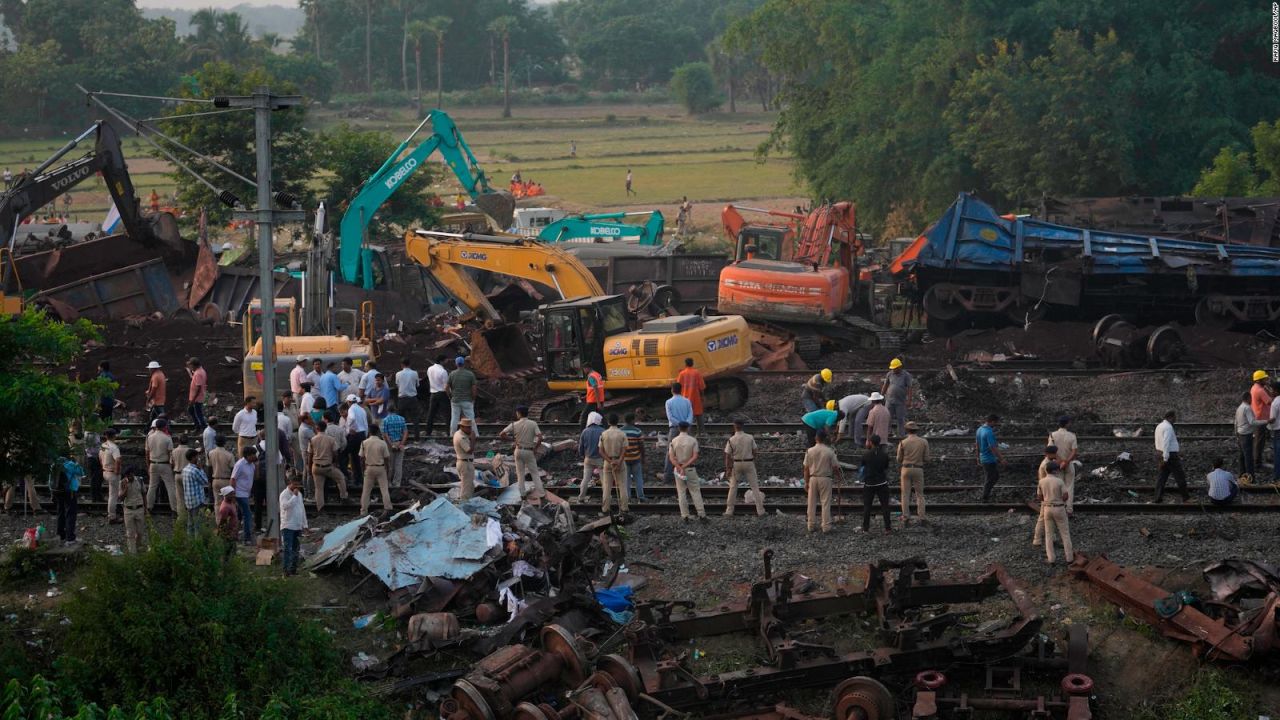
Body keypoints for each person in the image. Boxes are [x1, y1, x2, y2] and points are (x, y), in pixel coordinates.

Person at [499, 406, 544, 496]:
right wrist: (535, 448)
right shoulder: (533, 423)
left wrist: (513, 439)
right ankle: (541, 494)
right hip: (529, 451)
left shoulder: (514, 424)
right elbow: (540, 437)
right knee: (534, 473)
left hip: (518, 450)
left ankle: (522, 495)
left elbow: (502, 434)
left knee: (520, 474)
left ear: (519, 413)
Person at [803, 429, 841, 533]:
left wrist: (806, 482)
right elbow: (835, 467)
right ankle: (826, 526)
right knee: (825, 502)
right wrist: (838, 477)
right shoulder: (830, 451)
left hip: (813, 478)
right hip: (826, 478)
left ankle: (810, 525)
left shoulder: (809, 451)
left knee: (811, 502)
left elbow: (806, 468)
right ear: (825, 439)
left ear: (816, 438)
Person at [724, 419, 763, 516]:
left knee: (733, 487)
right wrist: (753, 459)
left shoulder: (731, 439)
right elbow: (755, 450)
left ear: (734, 426)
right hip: (749, 462)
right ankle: (760, 511)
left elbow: (728, 456)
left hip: (736, 464)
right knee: (754, 487)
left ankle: (729, 511)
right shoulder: (750, 438)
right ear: (743, 426)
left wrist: (728, 468)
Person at [1036, 461, 1073, 564]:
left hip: (1047, 508)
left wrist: (1047, 500)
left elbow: (1039, 497)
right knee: (1065, 533)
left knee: (1048, 534)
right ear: (1055, 470)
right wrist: (1059, 500)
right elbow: (1066, 496)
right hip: (1059, 508)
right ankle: (1069, 558)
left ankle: (1051, 559)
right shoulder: (1059, 481)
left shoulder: (1041, 482)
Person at [668, 421, 706, 521]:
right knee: (695, 491)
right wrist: (685, 466)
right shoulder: (693, 440)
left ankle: (685, 515)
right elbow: (695, 456)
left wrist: (680, 468)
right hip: (690, 469)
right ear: (688, 428)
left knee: (681, 492)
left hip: (678, 470)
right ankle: (701, 514)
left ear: (679, 428)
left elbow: (671, 458)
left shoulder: (674, 441)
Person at [310, 420, 348, 511]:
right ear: (325, 428)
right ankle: (343, 497)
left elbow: (309, 455)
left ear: (317, 428)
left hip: (316, 467)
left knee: (319, 488)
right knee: (341, 478)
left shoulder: (313, 439)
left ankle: (320, 508)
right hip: (328, 467)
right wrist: (336, 463)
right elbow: (335, 453)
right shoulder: (331, 439)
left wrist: (309, 467)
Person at [896, 421, 929, 524]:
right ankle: (922, 517)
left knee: (905, 494)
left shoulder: (903, 442)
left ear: (907, 430)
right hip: (918, 469)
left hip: (906, 469)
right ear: (916, 430)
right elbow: (927, 458)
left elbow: (898, 459)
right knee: (920, 494)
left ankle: (905, 516)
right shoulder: (924, 442)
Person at [145, 418, 181, 514]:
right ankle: (174, 509)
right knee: (170, 487)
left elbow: (147, 453)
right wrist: (173, 466)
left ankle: (149, 507)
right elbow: (171, 454)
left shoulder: (149, 437)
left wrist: (148, 465)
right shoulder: (167, 438)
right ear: (164, 426)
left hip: (153, 463)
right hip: (164, 464)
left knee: (152, 486)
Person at [598, 414, 630, 513]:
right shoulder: (622, 434)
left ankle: (605, 508)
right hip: (620, 462)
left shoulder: (604, 434)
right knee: (622, 486)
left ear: (608, 422)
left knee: (607, 487)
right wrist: (619, 461)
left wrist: (609, 461)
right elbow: (625, 450)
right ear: (618, 421)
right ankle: (624, 508)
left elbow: (600, 451)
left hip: (608, 463)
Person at [1154, 410, 1189, 503]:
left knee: (1162, 477)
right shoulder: (1168, 427)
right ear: (1170, 417)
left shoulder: (1159, 426)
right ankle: (1186, 498)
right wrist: (1166, 458)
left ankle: (1157, 498)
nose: (1175, 419)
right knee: (1180, 476)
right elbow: (1166, 443)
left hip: (1160, 453)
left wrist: (1162, 457)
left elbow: (1158, 441)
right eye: (1174, 417)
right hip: (1169, 456)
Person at [860, 435, 892, 534]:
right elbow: (886, 467)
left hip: (869, 483)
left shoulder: (866, 454)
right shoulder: (884, 454)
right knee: (885, 506)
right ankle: (888, 528)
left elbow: (863, 466)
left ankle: (866, 528)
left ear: (870, 442)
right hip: (882, 482)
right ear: (879, 442)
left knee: (867, 507)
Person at [1048, 416, 1080, 513]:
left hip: (1056, 465)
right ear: (1067, 424)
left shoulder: (1053, 435)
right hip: (1068, 464)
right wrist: (1066, 462)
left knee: (1058, 487)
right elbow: (1074, 452)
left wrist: (1060, 462)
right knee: (1069, 487)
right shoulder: (1072, 435)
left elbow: (1050, 451)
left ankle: (1059, 509)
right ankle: (1069, 510)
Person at [663, 382, 694, 480]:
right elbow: (690, 415)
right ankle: (687, 473)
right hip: (686, 428)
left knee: (671, 451)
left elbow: (670, 417)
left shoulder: (668, 402)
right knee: (687, 451)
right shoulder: (687, 401)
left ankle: (668, 475)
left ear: (672, 390)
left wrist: (679, 424)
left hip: (674, 429)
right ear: (681, 390)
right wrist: (685, 424)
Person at [280, 475, 307, 576]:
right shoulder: (284, 494)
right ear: (289, 483)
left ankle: (293, 569)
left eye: (298, 485)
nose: (296, 487)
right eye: (294, 484)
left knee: (296, 548)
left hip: (297, 525)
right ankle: (286, 570)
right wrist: (294, 496)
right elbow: (285, 506)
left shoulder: (299, 494)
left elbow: (302, 509)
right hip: (288, 525)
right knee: (288, 548)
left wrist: (305, 524)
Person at [1234, 392, 1266, 478]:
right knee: (1248, 457)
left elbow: (1235, 423)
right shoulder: (1247, 408)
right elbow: (1252, 422)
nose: (1252, 400)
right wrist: (1266, 421)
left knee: (1242, 456)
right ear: (1248, 398)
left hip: (1240, 434)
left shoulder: (1239, 408)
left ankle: (1241, 475)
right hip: (1246, 435)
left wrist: (1236, 435)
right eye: (1251, 398)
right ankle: (1250, 477)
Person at [576, 412, 606, 502]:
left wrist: (583, 456)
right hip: (600, 458)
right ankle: (606, 498)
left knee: (585, 479)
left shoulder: (585, 431)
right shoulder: (603, 431)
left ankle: (581, 497)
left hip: (588, 458)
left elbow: (580, 447)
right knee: (604, 480)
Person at [52, 457, 82, 544]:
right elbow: (81, 472)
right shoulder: (70, 464)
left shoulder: (54, 464)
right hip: (69, 491)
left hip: (57, 491)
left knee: (60, 512)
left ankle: (60, 535)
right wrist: (77, 464)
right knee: (70, 513)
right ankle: (70, 538)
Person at [232, 445, 258, 544]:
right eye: (253, 455)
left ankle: (235, 535)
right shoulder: (240, 464)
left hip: (246, 493)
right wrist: (233, 494)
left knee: (239, 515)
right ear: (247, 455)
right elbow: (233, 479)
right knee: (247, 515)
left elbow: (254, 477)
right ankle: (247, 538)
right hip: (240, 493)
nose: (255, 456)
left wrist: (257, 465)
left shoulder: (252, 464)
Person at [880, 359, 913, 437]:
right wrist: (881, 396)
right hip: (889, 400)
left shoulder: (906, 375)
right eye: (892, 368)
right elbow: (886, 385)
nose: (893, 370)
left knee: (900, 418)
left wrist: (909, 401)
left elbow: (910, 388)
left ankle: (901, 434)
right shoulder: (889, 374)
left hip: (900, 401)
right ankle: (888, 433)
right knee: (887, 417)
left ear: (899, 367)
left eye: (895, 368)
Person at [976, 414, 1004, 501]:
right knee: (992, 477)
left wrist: (977, 457)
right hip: (989, 459)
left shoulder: (979, 430)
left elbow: (977, 445)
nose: (996, 425)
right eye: (995, 423)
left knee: (992, 476)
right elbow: (993, 447)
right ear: (992, 422)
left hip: (983, 458)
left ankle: (986, 494)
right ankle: (985, 496)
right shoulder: (989, 432)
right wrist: (1001, 459)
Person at [181, 448, 208, 536]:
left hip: (188, 500)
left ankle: (190, 544)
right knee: (197, 524)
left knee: (190, 523)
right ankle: (197, 544)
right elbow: (205, 481)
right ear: (193, 458)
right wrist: (201, 469)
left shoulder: (185, 469)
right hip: (197, 501)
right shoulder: (195, 470)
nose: (198, 458)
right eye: (197, 456)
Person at [447, 356, 477, 435]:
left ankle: (452, 435)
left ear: (456, 364)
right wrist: (473, 398)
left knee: (454, 418)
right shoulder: (470, 374)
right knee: (471, 418)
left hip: (455, 400)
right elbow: (474, 388)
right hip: (467, 400)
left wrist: (450, 396)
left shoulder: (452, 374)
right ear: (464, 364)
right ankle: (475, 434)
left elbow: (446, 387)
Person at [677, 358, 707, 434]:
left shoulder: (682, 374)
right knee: (699, 415)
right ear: (692, 364)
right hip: (696, 398)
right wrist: (702, 396)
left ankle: (688, 433)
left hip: (685, 399)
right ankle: (702, 433)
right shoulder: (696, 373)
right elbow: (702, 387)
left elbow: (678, 386)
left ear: (685, 364)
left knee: (687, 417)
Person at [1250, 370, 1273, 470]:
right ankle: (1257, 464)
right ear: (1259, 380)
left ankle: (1258, 461)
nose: (1266, 379)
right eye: (1265, 378)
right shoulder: (1260, 390)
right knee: (1259, 442)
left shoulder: (1255, 387)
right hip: (1261, 419)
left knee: (1260, 441)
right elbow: (1270, 401)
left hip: (1258, 418)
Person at [622, 413, 647, 502]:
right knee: (638, 478)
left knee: (626, 479)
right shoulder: (637, 431)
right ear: (632, 420)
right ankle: (640, 497)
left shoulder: (621, 431)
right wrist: (643, 458)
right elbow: (641, 446)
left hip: (624, 459)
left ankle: (627, 497)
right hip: (636, 458)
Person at [120, 468, 146, 554]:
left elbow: (144, 494)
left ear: (133, 474)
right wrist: (125, 489)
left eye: (130, 475)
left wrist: (146, 508)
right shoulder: (122, 482)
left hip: (139, 508)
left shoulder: (139, 480)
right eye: (127, 476)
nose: (129, 477)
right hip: (128, 510)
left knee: (140, 532)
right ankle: (132, 553)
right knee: (130, 533)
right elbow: (120, 498)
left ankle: (138, 547)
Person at [99, 428, 123, 524]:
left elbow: (100, 458)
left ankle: (112, 513)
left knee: (111, 494)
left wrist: (103, 467)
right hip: (112, 473)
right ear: (114, 436)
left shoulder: (103, 445)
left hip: (105, 471)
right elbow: (118, 460)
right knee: (113, 496)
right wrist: (117, 471)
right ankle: (112, 516)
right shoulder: (114, 447)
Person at [381, 401, 407, 488]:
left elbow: (385, 434)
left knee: (389, 464)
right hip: (400, 442)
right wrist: (401, 443)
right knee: (398, 465)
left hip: (389, 444)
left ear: (387, 410)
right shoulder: (401, 419)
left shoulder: (385, 420)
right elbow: (405, 432)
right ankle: (397, 483)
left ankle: (388, 482)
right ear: (395, 409)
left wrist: (391, 444)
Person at [345, 394, 370, 482]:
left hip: (355, 435)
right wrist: (365, 435)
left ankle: (355, 478)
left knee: (351, 456)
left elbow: (351, 418)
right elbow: (366, 424)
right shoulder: (362, 409)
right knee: (359, 457)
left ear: (349, 402)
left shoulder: (351, 409)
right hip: (362, 435)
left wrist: (349, 428)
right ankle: (360, 478)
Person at [424, 355, 450, 437]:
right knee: (447, 413)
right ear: (442, 361)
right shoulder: (443, 371)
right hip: (442, 393)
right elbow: (446, 386)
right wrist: (449, 395)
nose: (447, 361)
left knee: (431, 413)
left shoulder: (429, 369)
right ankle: (448, 432)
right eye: (446, 360)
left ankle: (428, 431)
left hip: (433, 393)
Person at [395, 358, 421, 433]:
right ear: (410, 364)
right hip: (412, 398)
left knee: (400, 419)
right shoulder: (415, 373)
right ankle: (417, 438)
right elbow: (417, 385)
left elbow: (397, 385)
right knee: (415, 418)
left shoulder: (398, 374)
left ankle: (399, 436)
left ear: (402, 365)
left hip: (402, 399)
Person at [453, 417, 476, 499]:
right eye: (468, 427)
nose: (470, 429)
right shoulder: (461, 437)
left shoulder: (459, 433)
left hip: (464, 462)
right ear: (462, 427)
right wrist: (473, 439)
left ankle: (467, 503)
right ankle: (464, 506)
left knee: (469, 486)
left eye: (470, 427)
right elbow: (469, 450)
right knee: (466, 490)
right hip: (465, 464)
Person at [208, 435, 235, 503]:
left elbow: (209, 468)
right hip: (226, 480)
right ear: (224, 443)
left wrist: (210, 482)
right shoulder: (229, 455)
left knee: (217, 503)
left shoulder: (210, 453)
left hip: (215, 480)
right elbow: (233, 470)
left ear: (215, 442)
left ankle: (217, 514)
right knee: (227, 502)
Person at [214, 485, 238, 559]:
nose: (234, 496)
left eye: (234, 493)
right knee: (228, 551)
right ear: (226, 495)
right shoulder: (225, 507)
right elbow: (223, 521)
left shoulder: (230, 503)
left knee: (231, 550)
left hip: (231, 532)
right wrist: (220, 531)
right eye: (232, 494)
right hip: (228, 533)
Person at [185, 357, 208, 431]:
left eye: (191, 365)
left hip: (196, 399)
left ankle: (202, 427)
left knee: (198, 414)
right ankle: (198, 426)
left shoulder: (198, 373)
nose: (190, 367)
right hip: (197, 398)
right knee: (191, 411)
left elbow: (198, 388)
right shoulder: (200, 371)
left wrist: (193, 400)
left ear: (194, 365)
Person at [1270, 383, 1280, 482]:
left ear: (1276, 391)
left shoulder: (1275, 403)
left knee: (1278, 454)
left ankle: (1277, 477)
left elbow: (1272, 419)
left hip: (1278, 431)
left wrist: (1266, 423)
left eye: (1272, 390)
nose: (1271, 392)